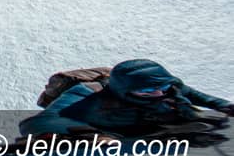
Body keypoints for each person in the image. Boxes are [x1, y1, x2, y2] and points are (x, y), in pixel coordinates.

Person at [20, 59, 234, 141]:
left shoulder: (170, 87)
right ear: (123, 90)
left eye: (163, 86)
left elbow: (199, 96)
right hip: (116, 130)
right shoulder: (86, 94)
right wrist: (89, 134)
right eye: (149, 89)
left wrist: (225, 106)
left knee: (193, 115)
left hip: (156, 122)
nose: (160, 92)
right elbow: (39, 121)